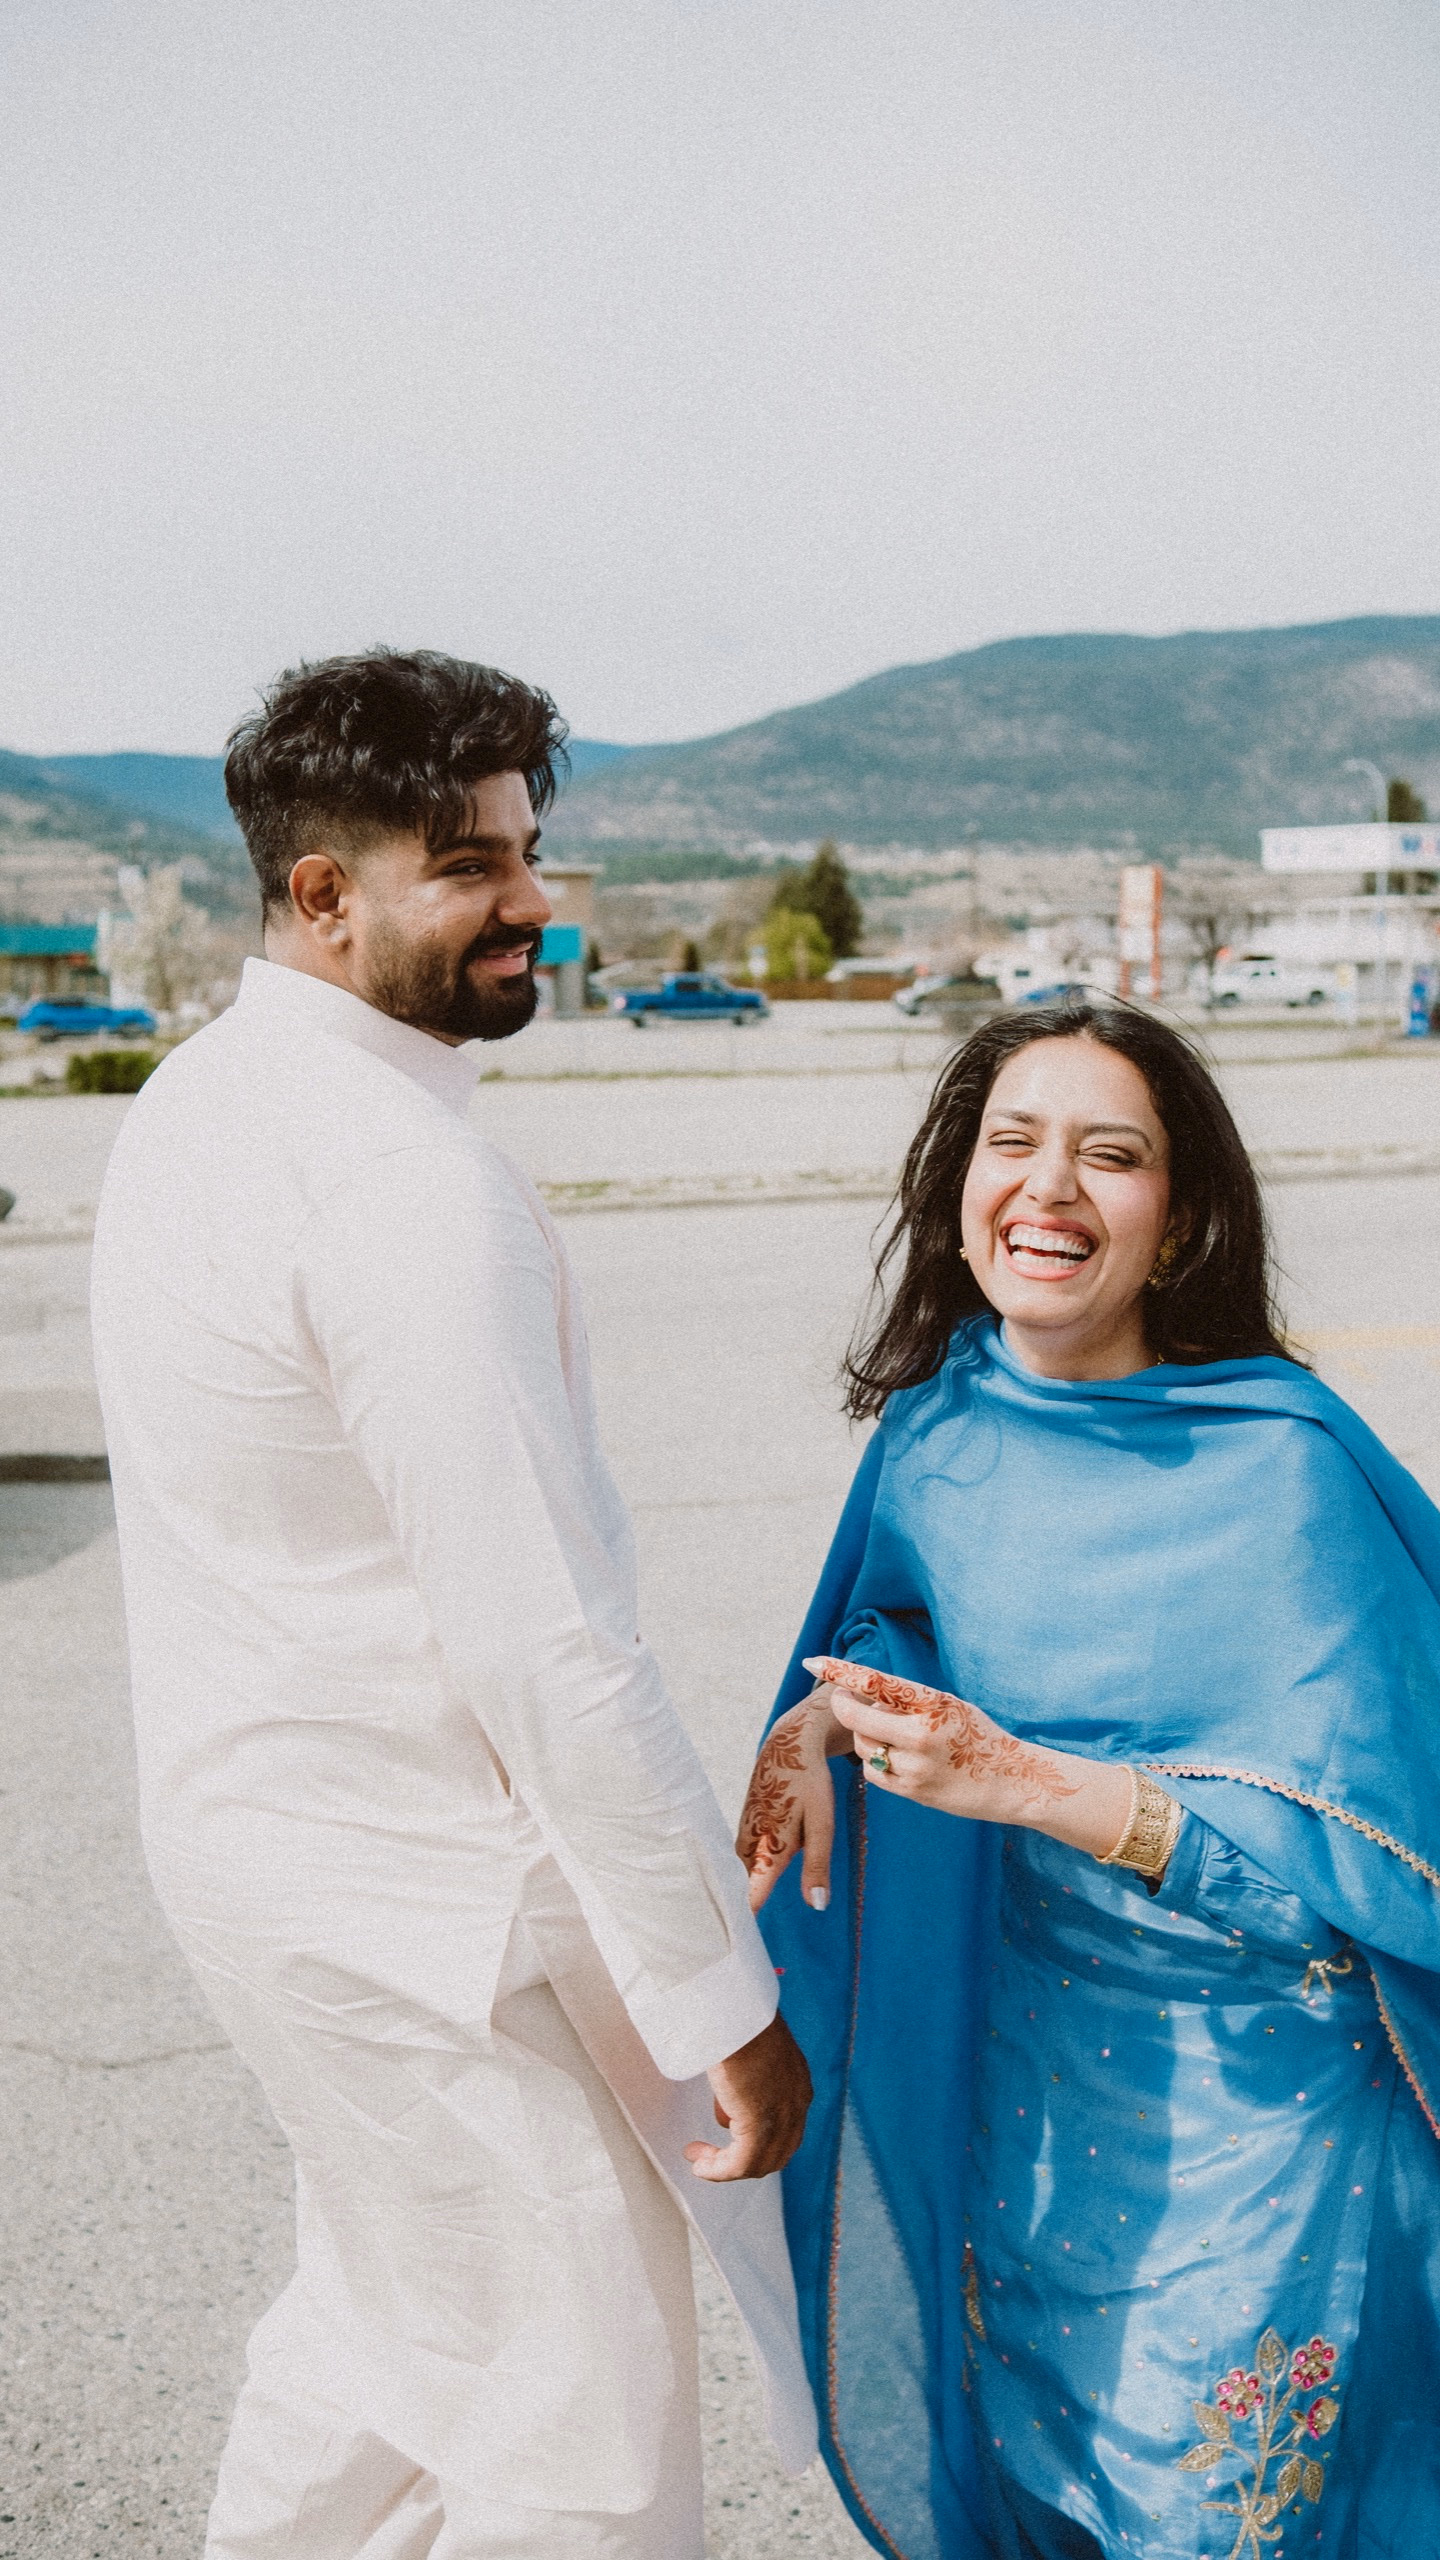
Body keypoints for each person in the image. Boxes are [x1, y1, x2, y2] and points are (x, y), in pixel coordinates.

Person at [90, 649, 814, 2560]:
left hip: (274, 1874)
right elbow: (547, 1645)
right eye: (473, 865)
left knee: (387, 2346)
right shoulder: (401, 1183)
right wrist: (722, 2003)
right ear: (324, 891)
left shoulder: (197, 1099)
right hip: (432, 1918)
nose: (531, 902)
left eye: (527, 850)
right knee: (582, 2432)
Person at [739, 1000, 1440, 2560]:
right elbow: (896, 1626)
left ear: (1177, 1222)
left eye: (1109, 1156)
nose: (1049, 1186)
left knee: (1213, 2515)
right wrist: (826, 1728)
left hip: (1262, 2136)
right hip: (1028, 2105)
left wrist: (1034, 1785)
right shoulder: (935, 1428)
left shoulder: (1285, 1471)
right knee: (1041, 2486)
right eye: (1014, 1142)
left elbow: (1367, 1885)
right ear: (960, 1190)